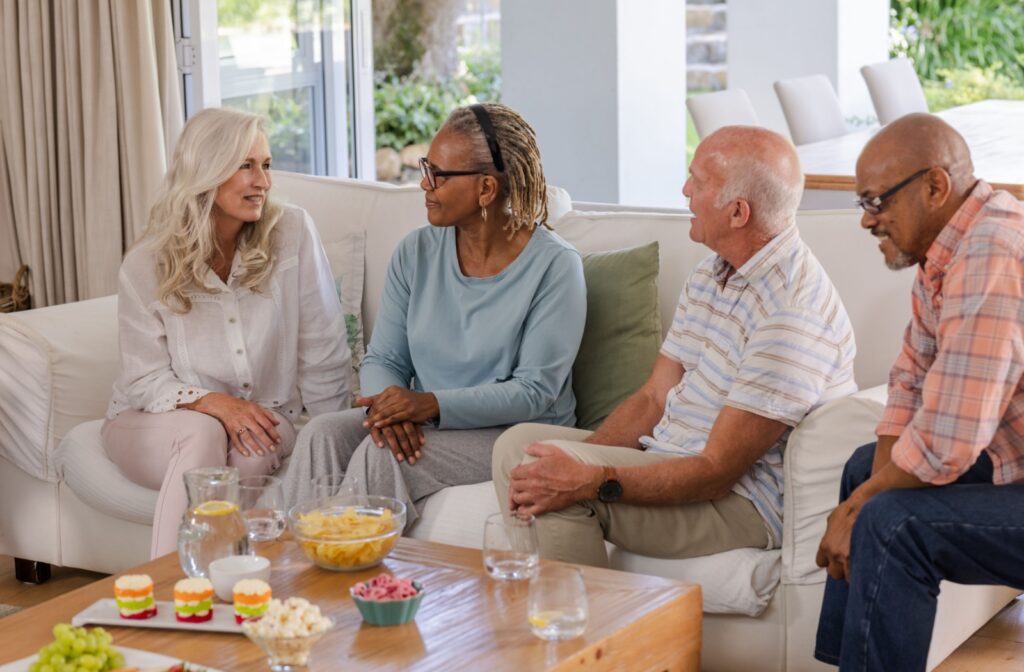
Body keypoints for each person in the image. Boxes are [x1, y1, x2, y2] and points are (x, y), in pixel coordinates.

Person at [493, 126, 857, 567]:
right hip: (669, 458)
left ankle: (582, 630)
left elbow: (716, 472)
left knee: (539, 470)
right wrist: (581, 458)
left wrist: (592, 478)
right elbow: (653, 397)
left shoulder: (792, 313)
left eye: (699, 183)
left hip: (738, 505)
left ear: (738, 212)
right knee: (525, 449)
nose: (685, 190)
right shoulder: (712, 273)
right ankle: (563, 618)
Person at [283, 103, 587, 525]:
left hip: (516, 432)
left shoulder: (555, 266)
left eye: (438, 175)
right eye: (426, 167)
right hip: (427, 419)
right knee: (321, 434)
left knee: (381, 456)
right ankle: (293, 575)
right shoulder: (416, 252)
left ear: (485, 189)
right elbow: (385, 359)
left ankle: (350, 580)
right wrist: (387, 411)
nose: (424, 184)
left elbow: (534, 391)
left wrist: (426, 406)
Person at [814, 113, 1024, 671]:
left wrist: (858, 512)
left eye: (876, 201)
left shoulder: (991, 251)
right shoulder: (947, 250)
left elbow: (950, 438)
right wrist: (864, 496)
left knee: (890, 521)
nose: (867, 220)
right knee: (866, 470)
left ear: (935, 186)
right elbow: (908, 384)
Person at [103, 107, 352, 558]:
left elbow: (323, 351)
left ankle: (225, 587)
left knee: (256, 448)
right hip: (148, 422)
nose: (264, 181)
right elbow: (143, 380)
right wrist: (219, 405)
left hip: (263, 417)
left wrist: (333, 438)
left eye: (267, 165)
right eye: (246, 165)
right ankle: (170, 596)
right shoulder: (147, 263)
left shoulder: (291, 231)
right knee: (205, 434)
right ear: (207, 170)